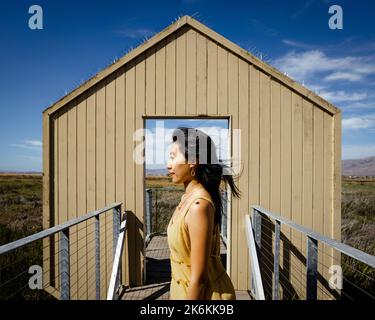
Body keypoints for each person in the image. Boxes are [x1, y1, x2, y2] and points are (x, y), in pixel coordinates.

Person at [166, 127, 241, 300]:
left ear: (193, 160)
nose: (169, 164)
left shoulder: (198, 206)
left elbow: (199, 279)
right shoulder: (188, 198)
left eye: (173, 157)